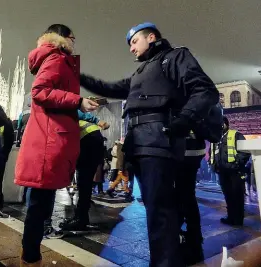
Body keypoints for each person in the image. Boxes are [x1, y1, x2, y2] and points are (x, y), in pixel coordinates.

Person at [79, 22, 219, 267]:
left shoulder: (175, 57)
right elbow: (108, 87)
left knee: (162, 212)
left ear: (151, 37)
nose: (131, 49)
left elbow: (205, 90)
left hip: (159, 142)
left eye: (134, 42)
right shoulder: (141, 72)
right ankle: (169, 257)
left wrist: (184, 119)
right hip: (139, 144)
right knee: (156, 211)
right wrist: (76, 74)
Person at [14, 24, 99, 267]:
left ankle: (32, 255)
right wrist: (78, 101)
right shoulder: (57, 58)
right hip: (49, 141)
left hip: (49, 138)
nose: (74, 43)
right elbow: (40, 92)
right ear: (62, 38)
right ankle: (30, 258)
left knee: (42, 201)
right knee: (40, 203)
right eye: (72, 38)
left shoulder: (55, 58)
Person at [210, 116, 250, 226]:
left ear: (226, 124)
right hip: (222, 172)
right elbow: (212, 154)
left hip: (235, 172)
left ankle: (238, 220)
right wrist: (213, 165)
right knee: (228, 196)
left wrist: (236, 164)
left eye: (220, 123)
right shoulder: (216, 138)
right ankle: (231, 217)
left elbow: (245, 151)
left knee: (237, 196)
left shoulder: (235, 134)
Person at [176, 131, 206, 265]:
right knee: (188, 194)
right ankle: (194, 234)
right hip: (195, 152)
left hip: (182, 151)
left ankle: (179, 233)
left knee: (181, 194)